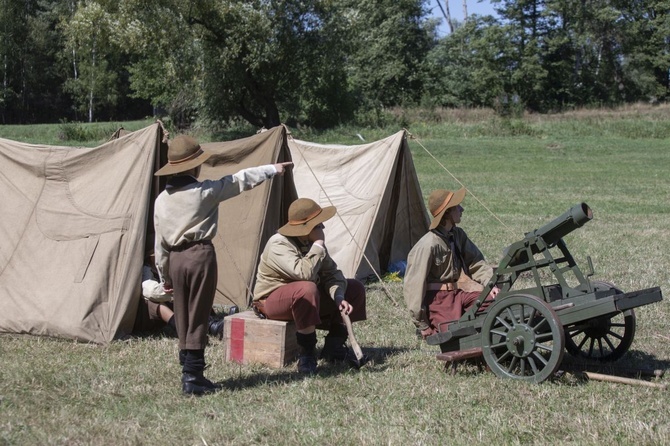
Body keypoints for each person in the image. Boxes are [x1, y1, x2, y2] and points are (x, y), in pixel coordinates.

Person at [154, 134, 291, 396]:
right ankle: (193, 377)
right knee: (199, 315)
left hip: (175, 260)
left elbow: (160, 243)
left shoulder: (161, 200)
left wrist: (165, 277)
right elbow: (239, 181)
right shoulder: (203, 192)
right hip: (199, 257)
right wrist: (272, 169)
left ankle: (188, 370)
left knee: (183, 314)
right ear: (193, 167)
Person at [252, 198, 367, 374]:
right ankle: (306, 353)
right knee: (306, 288)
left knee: (354, 288)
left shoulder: (309, 243)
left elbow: (332, 274)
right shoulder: (279, 243)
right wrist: (319, 245)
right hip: (271, 301)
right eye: (318, 224)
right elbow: (303, 274)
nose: (323, 228)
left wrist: (338, 297)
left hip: (304, 298)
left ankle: (334, 345)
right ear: (307, 227)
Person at [403, 188, 499, 339]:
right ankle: (437, 325)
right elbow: (414, 286)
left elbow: (476, 262)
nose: (462, 209)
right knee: (453, 337)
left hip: (459, 292)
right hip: (439, 299)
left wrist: (490, 283)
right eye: (457, 207)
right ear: (447, 213)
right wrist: (421, 323)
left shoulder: (458, 234)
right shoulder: (427, 245)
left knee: (493, 303)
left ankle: (467, 321)